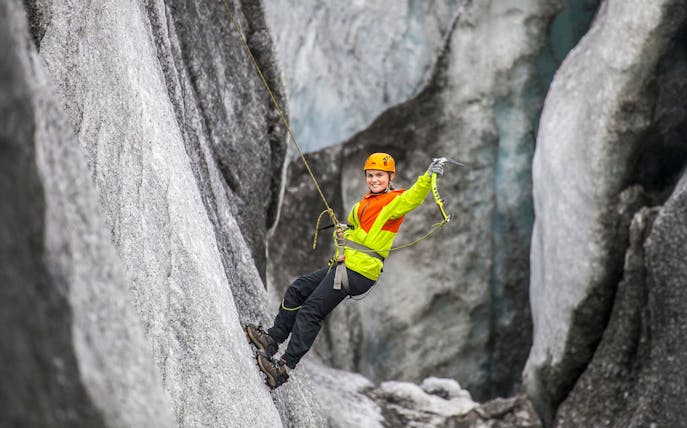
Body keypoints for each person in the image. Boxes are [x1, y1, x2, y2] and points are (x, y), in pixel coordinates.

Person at [246, 153, 445, 388]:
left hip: (359, 271)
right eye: (370, 175)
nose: (374, 179)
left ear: (390, 177)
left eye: (380, 175)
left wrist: (429, 175)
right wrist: (343, 231)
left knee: (311, 311)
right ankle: (272, 339)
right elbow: (355, 232)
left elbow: (414, 197)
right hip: (345, 266)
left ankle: (283, 368)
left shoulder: (394, 201)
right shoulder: (363, 204)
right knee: (298, 289)